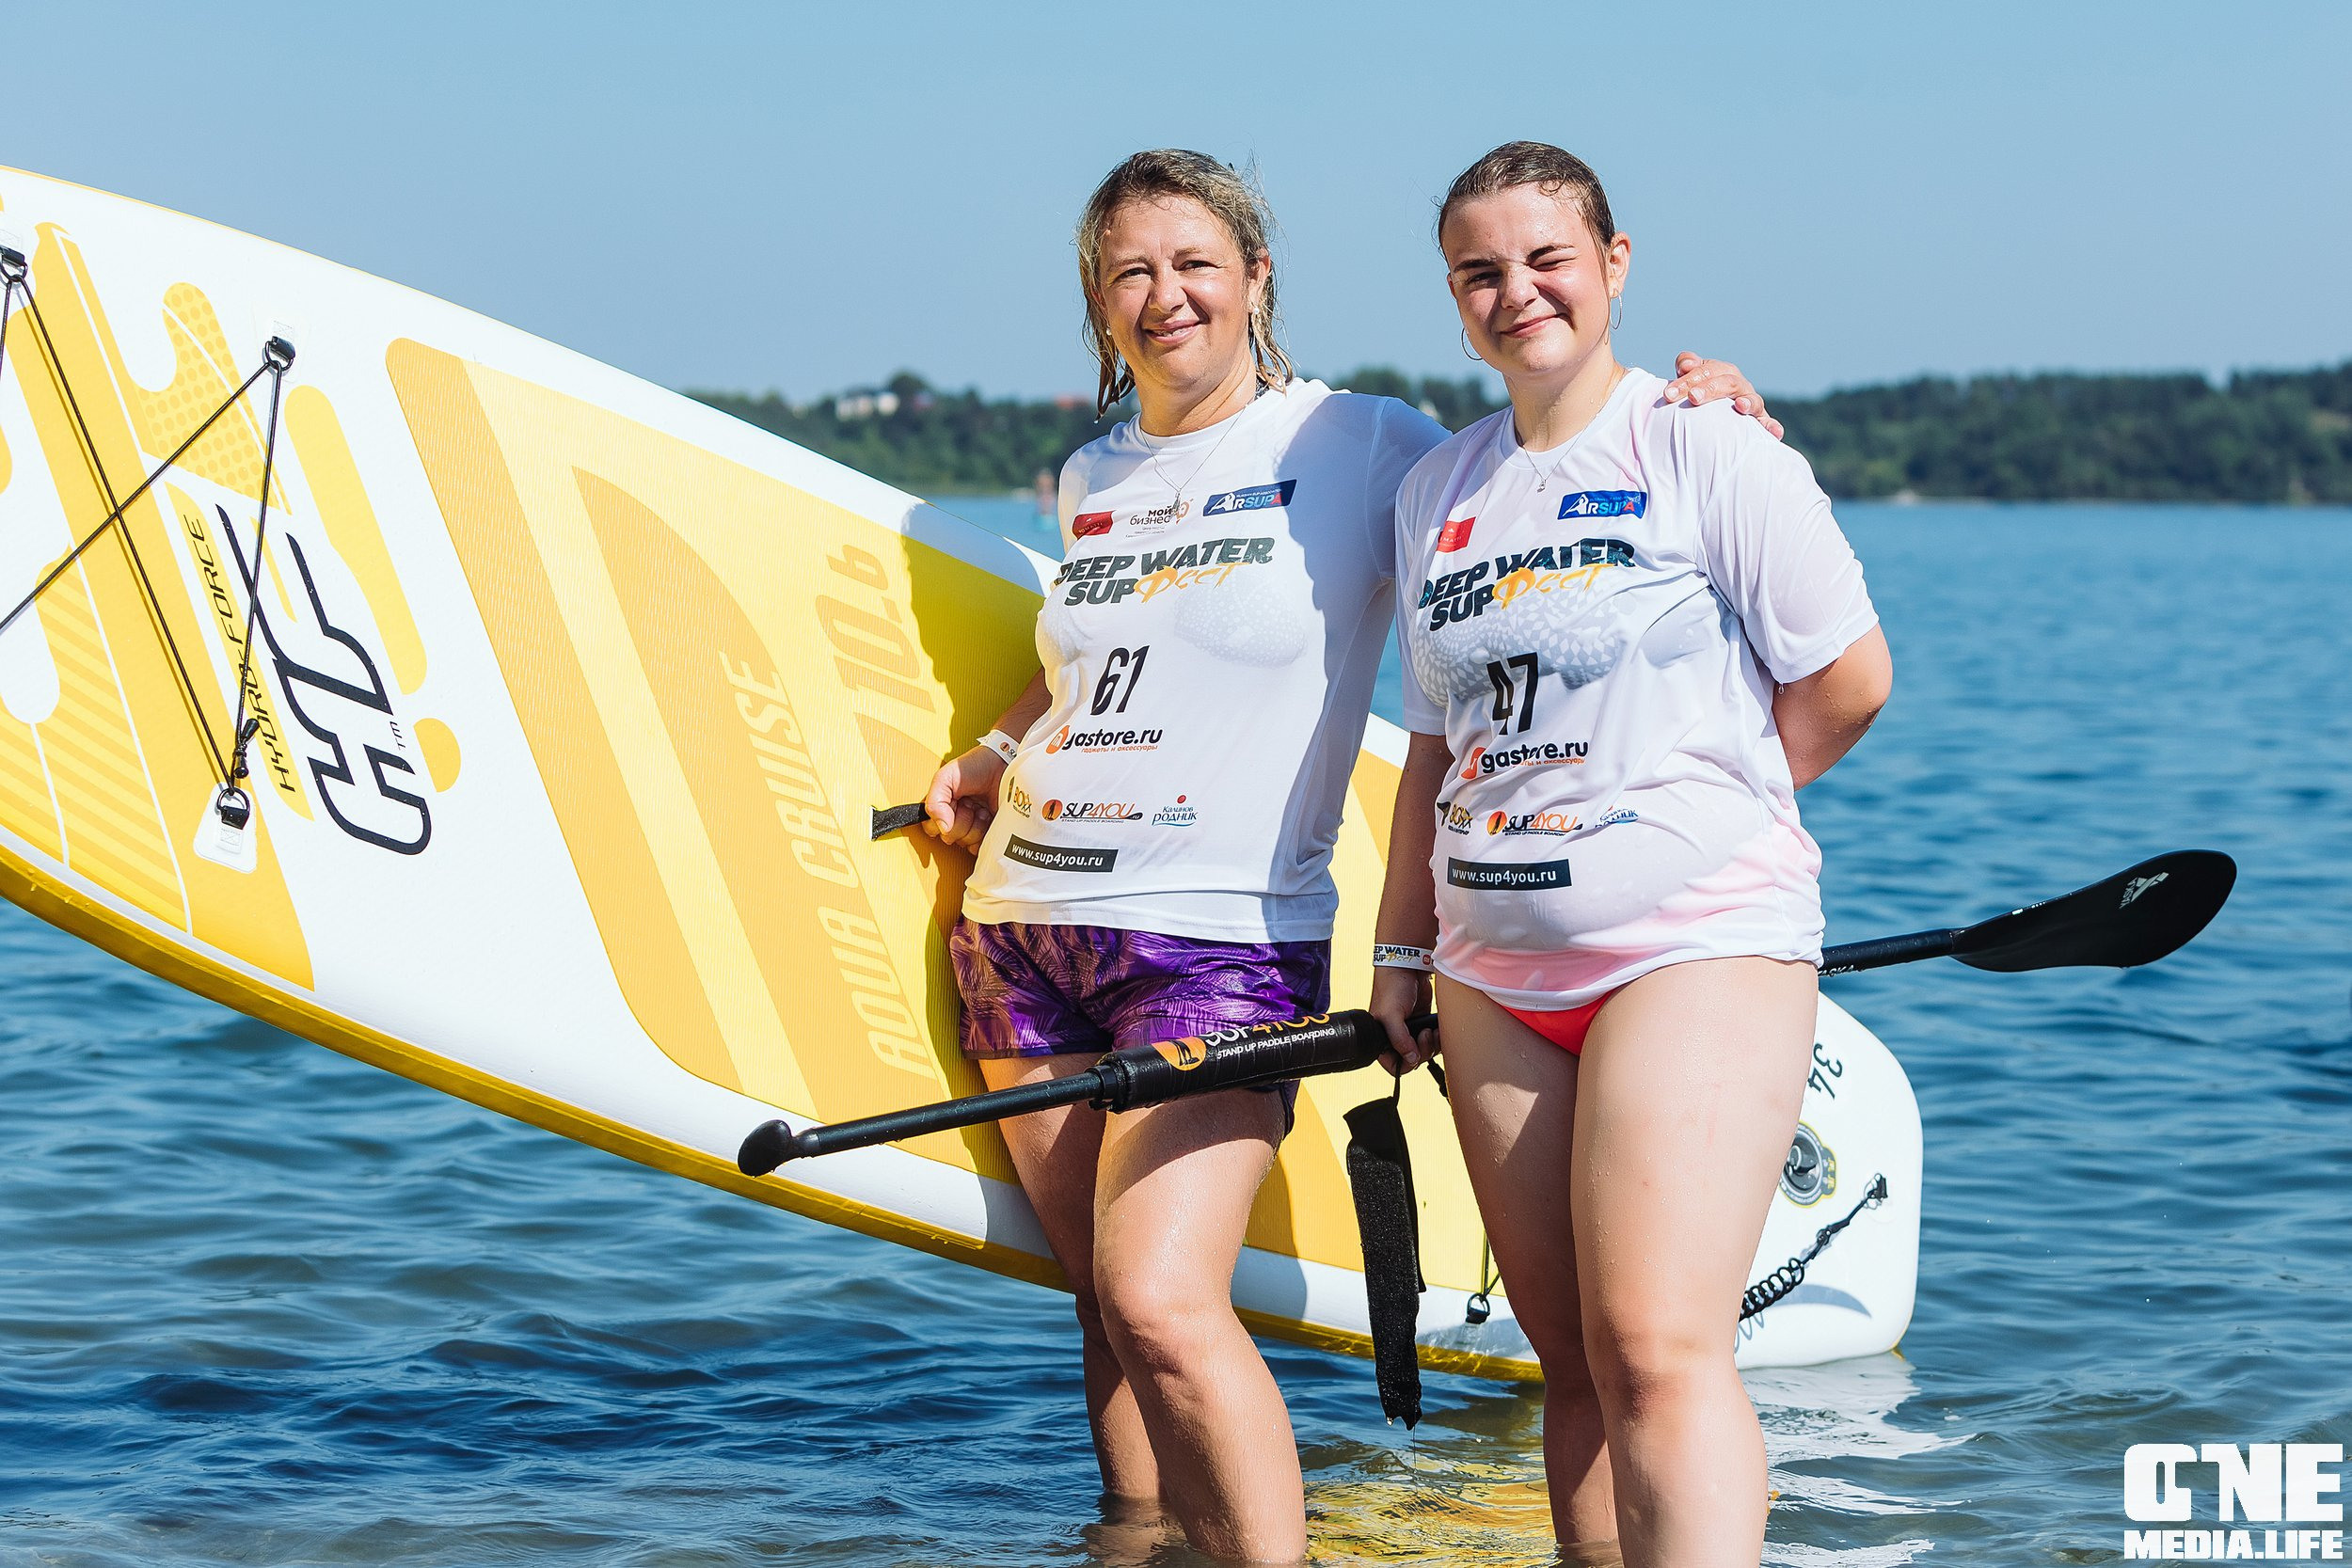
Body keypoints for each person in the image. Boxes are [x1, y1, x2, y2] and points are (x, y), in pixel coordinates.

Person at [922, 147, 1777, 1564]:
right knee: (1106, 1311)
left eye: (1195, 263)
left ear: (1258, 280)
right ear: (1098, 301)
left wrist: (1702, 415)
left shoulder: (1362, 444)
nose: (1166, 295)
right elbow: (1092, 653)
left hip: (1219, 940)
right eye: (1131, 271)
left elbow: (1543, 465)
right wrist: (999, 754)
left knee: (1161, 1299)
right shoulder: (1091, 474)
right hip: (1026, 921)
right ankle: (1140, 1546)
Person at [1367, 141, 1894, 1567]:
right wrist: (1400, 948)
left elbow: (1850, 679)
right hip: (1490, 973)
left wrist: (1691, 810)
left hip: (1698, 946)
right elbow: (1433, 747)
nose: (1514, 291)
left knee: (1661, 1349)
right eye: (1479, 271)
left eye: (1547, 258)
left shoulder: (1706, 445)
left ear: (1613, 263)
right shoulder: (1441, 492)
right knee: (1578, 1367)